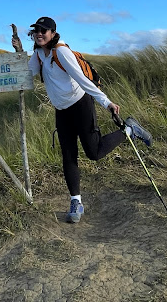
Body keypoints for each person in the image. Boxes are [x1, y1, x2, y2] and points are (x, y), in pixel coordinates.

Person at [12, 16, 152, 223]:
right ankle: (76, 202)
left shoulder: (62, 52)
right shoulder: (39, 54)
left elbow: (83, 80)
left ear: (52, 33)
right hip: (62, 111)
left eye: (43, 30)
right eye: (36, 31)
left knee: (94, 153)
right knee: (68, 156)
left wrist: (107, 103)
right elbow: (27, 74)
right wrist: (19, 52)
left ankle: (129, 130)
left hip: (80, 105)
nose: (39, 34)